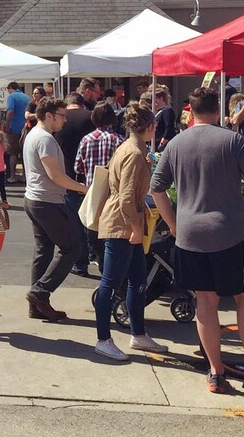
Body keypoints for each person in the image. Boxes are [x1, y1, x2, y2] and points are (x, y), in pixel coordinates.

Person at [149, 87, 244, 394]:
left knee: (205, 303)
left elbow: (157, 189)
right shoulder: (233, 141)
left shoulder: (176, 144)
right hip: (230, 232)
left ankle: (216, 373)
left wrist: (174, 225)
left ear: (190, 111)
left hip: (190, 235)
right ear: (218, 109)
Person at [92, 104, 170, 361]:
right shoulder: (134, 152)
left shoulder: (131, 148)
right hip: (122, 224)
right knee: (111, 283)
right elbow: (126, 197)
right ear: (149, 127)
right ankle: (103, 339)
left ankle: (138, 334)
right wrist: (136, 229)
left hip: (123, 221)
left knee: (137, 281)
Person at [23, 98, 88, 322]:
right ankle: (39, 293)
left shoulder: (35, 135)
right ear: (49, 115)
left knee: (44, 250)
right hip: (47, 202)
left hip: (35, 199)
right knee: (72, 248)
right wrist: (82, 188)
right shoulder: (45, 139)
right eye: (61, 115)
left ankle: (37, 304)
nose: (64, 119)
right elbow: (56, 176)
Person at [74, 101, 123, 274]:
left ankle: (100, 263)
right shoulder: (119, 140)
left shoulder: (86, 140)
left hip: (91, 192)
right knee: (110, 234)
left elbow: (77, 167)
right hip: (112, 193)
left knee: (92, 232)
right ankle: (108, 269)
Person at [56, 93, 94, 275]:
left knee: (75, 223)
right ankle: (100, 259)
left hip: (66, 176)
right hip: (92, 178)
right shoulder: (91, 117)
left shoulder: (58, 120)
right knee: (94, 221)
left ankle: (81, 262)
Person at [3, 81, 30, 183]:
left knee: (13, 152)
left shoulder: (12, 97)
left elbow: (10, 112)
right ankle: (24, 176)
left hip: (14, 128)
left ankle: (12, 176)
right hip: (25, 128)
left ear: (10, 88)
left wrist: (7, 124)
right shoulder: (26, 97)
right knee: (24, 153)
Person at [151, 85, 177, 150]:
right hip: (155, 142)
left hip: (163, 143)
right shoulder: (157, 112)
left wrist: (162, 143)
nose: (153, 101)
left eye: (155, 98)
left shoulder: (167, 110)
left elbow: (169, 127)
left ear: (161, 98)